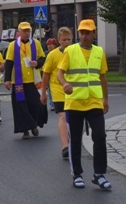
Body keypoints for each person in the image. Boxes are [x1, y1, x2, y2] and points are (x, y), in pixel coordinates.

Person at [57, 19, 111, 190]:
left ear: (94, 33)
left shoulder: (99, 52)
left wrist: (106, 99)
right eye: (82, 32)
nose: (84, 35)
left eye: (88, 32)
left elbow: (102, 77)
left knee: (100, 136)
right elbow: (60, 73)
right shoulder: (70, 50)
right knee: (75, 140)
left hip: (94, 101)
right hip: (75, 103)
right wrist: (64, 83)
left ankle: (99, 175)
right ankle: (77, 174)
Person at [4, 21, 47, 139]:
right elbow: (9, 62)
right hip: (18, 82)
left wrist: (37, 63)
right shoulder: (13, 45)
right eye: (24, 31)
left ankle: (34, 125)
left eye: (28, 30)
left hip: (34, 81)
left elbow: (43, 58)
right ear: (19, 32)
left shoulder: (36, 43)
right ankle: (25, 130)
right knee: (21, 107)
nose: (27, 33)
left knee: (36, 105)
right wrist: (7, 79)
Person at [40, 28, 72, 159]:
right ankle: (65, 146)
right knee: (63, 117)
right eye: (64, 40)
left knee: (73, 119)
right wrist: (43, 93)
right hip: (58, 90)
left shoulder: (75, 52)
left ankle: (72, 142)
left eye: (69, 39)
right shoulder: (52, 55)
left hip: (73, 90)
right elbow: (45, 75)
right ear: (59, 40)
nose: (67, 42)